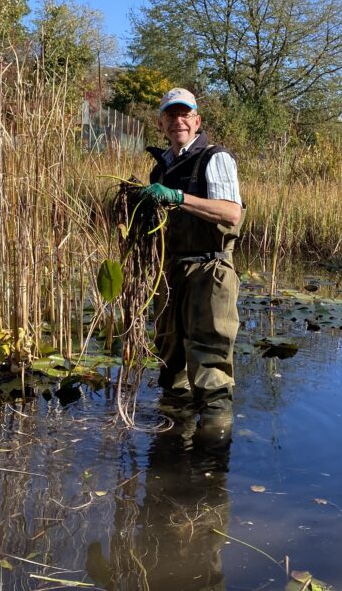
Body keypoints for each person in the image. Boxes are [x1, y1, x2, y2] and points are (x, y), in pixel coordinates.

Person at [139, 88, 243, 430]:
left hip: (210, 271)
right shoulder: (161, 169)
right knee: (170, 363)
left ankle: (211, 461)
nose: (178, 121)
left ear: (197, 121)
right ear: (161, 123)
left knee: (210, 365)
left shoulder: (214, 157)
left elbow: (231, 214)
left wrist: (178, 196)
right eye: (171, 115)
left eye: (185, 114)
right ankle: (172, 457)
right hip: (170, 273)